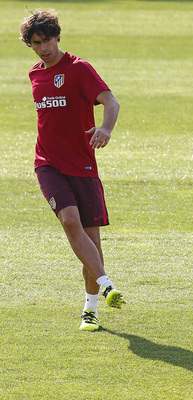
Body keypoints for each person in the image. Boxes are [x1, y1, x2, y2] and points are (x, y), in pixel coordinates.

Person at [19, 10, 124, 331]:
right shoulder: (34, 74)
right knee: (69, 221)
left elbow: (111, 101)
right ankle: (107, 285)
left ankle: (90, 308)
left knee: (92, 241)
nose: (43, 47)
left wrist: (105, 129)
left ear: (57, 36)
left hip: (83, 165)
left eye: (47, 40)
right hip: (48, 163)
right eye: (36, 43)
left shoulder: (79, 69)